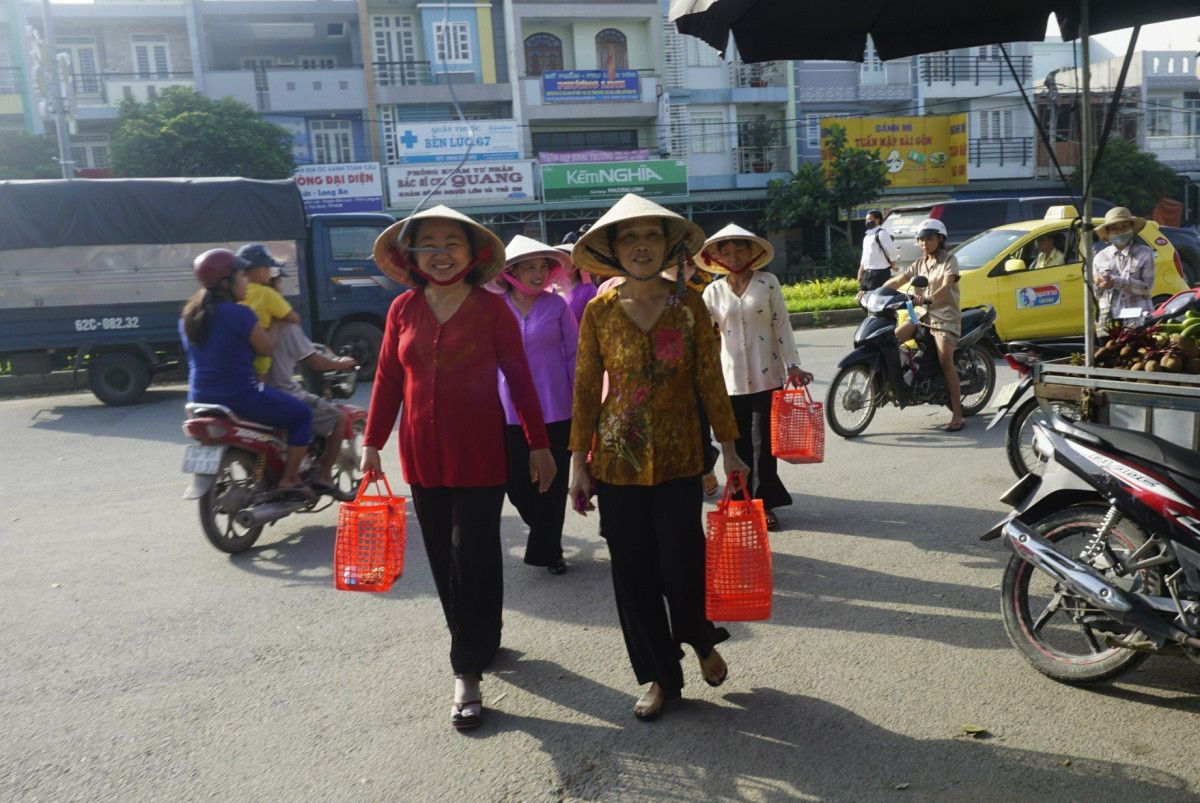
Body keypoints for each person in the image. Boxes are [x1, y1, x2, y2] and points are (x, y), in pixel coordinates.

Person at [360, 205, 556, 732]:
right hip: (421, 454)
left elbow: (519, 379)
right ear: (412, 254)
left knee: (473, 553)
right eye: (429, 243)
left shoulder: (491, 309)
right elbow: (386, 380)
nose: (441, 253)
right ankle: (477, 641)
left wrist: (539, 445)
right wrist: (372, 442)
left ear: (473, 254)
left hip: (481, 452)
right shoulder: (402, 309)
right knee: (445, 559)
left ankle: (465, 669)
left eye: (453, 243)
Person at [569, 193, 748, 722]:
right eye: (629, 237)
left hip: (679, 458)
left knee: (682, 565)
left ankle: (696, 635)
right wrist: (579, 460)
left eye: (650, 235)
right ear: (614, 248)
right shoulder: (598, 311)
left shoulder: (688, 305)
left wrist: (731, 451)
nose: (641, 245)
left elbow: (711, 382)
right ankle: (656, 675)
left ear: (668, 245)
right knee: (633, 574)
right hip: (618, 462)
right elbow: (583, 389)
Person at [696, 224, 811, 531]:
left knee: (762, 446)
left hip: (767, 377)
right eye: (727, 252)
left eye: (740, 250)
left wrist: (794, 366)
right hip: (729, 381)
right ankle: (740, 501)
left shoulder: (768, 283)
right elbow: (703, 338)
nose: (734, 257)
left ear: (752, 252)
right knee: (737, 446)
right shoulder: (713, 291)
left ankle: (763, 505)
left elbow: (782, 326)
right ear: (717, 257)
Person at [180, 249, 313, 494]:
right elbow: (266, 349)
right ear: (225, 282)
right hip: (240, 396)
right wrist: (275, 324)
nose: (246, 283)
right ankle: (290, 479)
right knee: (302, 415)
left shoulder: (188, 316)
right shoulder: (239, 314)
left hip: (198, 400)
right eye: (242, 276)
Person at [490, 235, 578, 575]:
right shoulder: (496, 308)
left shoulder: (557, 306)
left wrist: (581, 404)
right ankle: (544, 531)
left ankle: (549, 549)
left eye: (543, 266)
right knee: (515, 483)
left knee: (553, 484)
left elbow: (573, 355)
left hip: (557, 407)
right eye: (530, 267)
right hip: (509, 411)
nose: (539, 273)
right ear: (511, 271)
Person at [262, 320, 357, 500]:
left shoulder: (252, 322)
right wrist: (341, 364)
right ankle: (324, 477)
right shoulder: (286, 326)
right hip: (283, 394)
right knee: (337, 417)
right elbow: (315, 361)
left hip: (255, 393)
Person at [886, 218, 964, 432]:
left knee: (945, 360)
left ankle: (957, 413)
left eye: (929, 239)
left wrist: (929, 298)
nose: (924, 243)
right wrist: (874, 292)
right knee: (891, 339)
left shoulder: (950, 260)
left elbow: (947, 286)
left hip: (944, 318)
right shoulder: (919, 263)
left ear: (940, 239)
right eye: (921, 240)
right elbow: (899, 280)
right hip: (921, 316)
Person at [1092, 206, 1154, 331]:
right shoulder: (1100, 257)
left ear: (1131, 229)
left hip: (1137, 319)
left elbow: (1147, 288)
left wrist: (1116, 281)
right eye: (1114, 228)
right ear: (1108, 233)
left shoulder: (1145, 253)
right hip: (1108, 320)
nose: (1120, 231)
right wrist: (1099, 283)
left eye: (1124, 226)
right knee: (1107, 350)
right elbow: (1097, 293)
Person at [553, 231, 597, 323]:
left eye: (573, 257)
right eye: (566, 257)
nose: (570, 261)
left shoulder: (589, 290)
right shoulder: (549, 289)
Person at [857, 209, 898, 299]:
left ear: (877, 220)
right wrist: (860, 272)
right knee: (861, 298)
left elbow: (892, 250)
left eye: (870, 219)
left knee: (876, 299)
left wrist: (893, 264)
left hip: (879, 273)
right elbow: (865, 256)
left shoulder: (882, 233)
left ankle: (885, 313)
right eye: (866, 220)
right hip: (867, 273)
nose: (867, 222)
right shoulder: (867, 236)